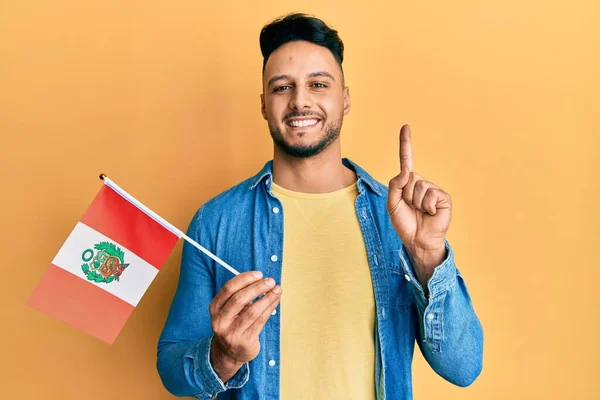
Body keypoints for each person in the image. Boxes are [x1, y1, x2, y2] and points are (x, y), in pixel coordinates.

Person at [156, 13, 483, 400]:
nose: (300, 101)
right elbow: (172, 368)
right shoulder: (216, 222)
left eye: (318, 84)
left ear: (344, 98)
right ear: (264, 104)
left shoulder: (397, 218)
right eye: (282, 87)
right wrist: (222, 356)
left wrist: (428, 256)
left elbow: (464, 367)